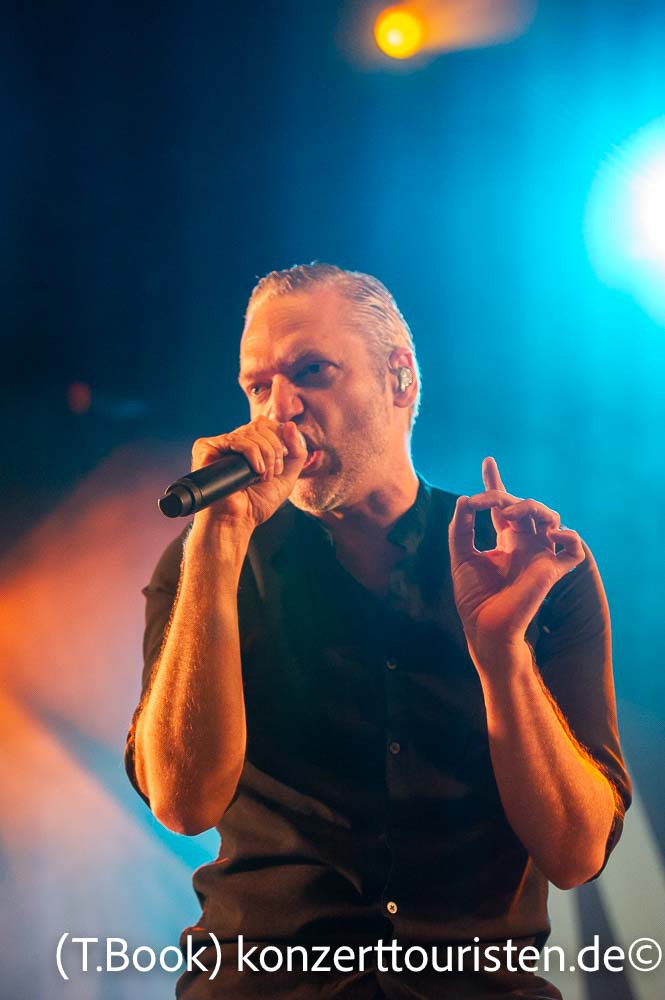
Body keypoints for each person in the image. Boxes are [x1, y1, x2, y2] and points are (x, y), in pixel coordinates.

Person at [124, 264, 631, 999]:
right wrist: (217, 542)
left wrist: (502, 658)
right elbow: (181, 803)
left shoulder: (527, 565)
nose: (279, 409)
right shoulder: (209, 558)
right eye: (258, 387)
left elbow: (576, 855)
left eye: (311, 371)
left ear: (400, 379)